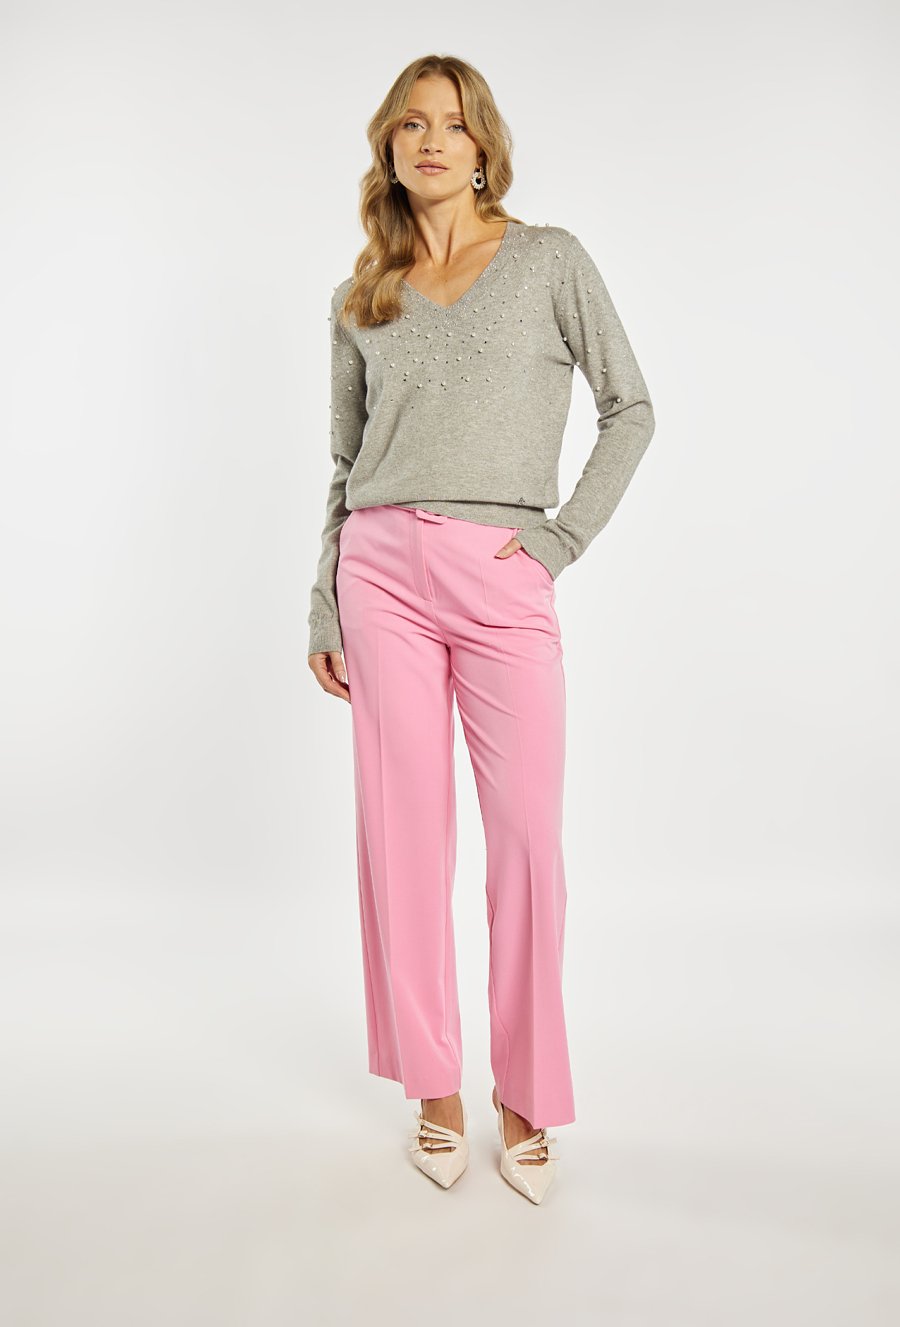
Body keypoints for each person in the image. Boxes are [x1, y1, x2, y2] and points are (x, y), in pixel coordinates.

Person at [307, 54, 656, 1204]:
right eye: (411, 124)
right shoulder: (363, 292)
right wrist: (325, 599)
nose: (431, 141)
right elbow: (345, 464)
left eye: (452, 125)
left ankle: (529, 1094)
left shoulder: (550, 260)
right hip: (380, 573)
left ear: (482, 146)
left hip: (503, 572)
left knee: (526, 845)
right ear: (389, 146)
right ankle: (434, 1090)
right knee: (404, 841)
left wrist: (560, 540)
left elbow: (631, 407)